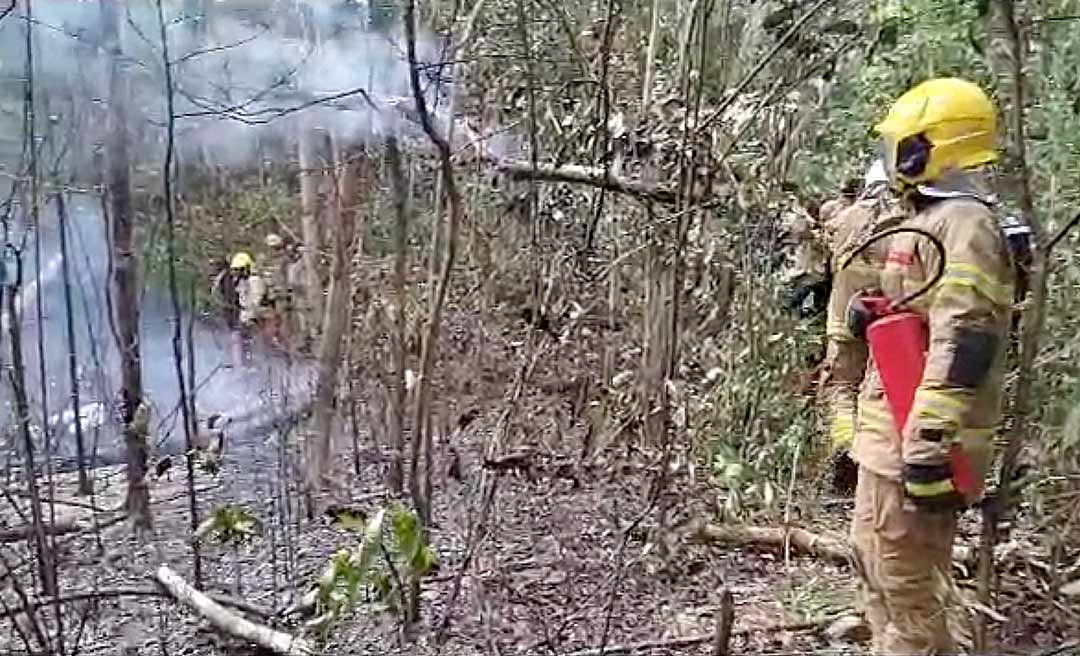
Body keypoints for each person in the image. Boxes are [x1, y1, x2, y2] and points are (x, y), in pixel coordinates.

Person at [846, 77, 1015, 654]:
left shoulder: (966, 225)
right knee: (875, 564)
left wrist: (927, 444)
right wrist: (877, 313)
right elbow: (924, 308)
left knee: (908, 586)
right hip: (887, 431)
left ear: (931, 148)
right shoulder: (928, 217)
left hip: (918, 438)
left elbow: (965, 339)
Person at [817, 158, 906, 494]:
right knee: (880, 393)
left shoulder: (846, 218)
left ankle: (845, 444)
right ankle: (875, 463)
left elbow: (825, 248)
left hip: (844, 321)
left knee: (840, 387)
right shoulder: (910, 223)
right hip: (893, 325)